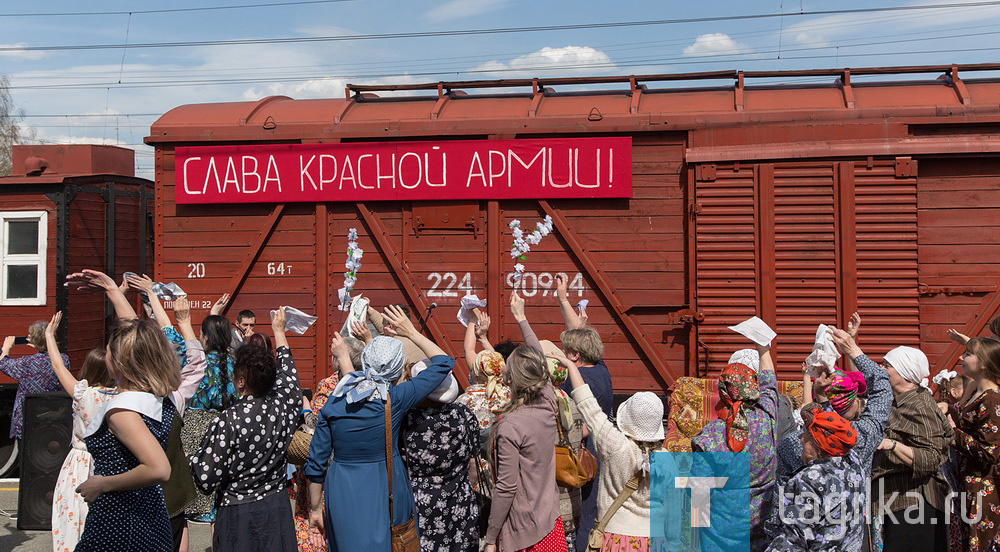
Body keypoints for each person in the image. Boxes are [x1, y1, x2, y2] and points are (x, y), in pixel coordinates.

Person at [305, 305, 455, 551]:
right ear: (397, 370)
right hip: (385, 480)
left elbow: (316, 463)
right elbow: (443, 363)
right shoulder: (395, 398)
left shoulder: (335, 400)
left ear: (364, 361)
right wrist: (411, 333)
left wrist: (314, 510)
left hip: (343, 484)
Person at [188, 307, 303, 552]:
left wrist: (191, 459)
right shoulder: (284, 408)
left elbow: (206, 478)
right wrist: (279, 332)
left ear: (240, 381)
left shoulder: (228, 420)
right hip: (276, 507)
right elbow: (289, 378)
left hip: (238, 515)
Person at [770, 321, 892, 549]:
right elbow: (883, 390)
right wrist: (853, 350)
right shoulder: (857, 449)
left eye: (804, 434)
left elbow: (786, 527)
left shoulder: (797, 455)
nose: (801, 437)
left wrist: (819, 394)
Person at [71, 317, 181, 552]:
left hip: (118, 520)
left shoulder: (122, 410)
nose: (107, 355)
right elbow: (139, 337)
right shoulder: (161, 398)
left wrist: (102, 484)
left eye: (109, 351)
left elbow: (159, 468)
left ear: (121, 361)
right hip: (151, 514)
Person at [554, 346, 671, 552]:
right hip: (656, 540)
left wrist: (571, 367)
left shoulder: (614, 444)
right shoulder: (668, 459)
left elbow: (587, 404)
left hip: (616, 537)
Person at [692, 336, 776, 551]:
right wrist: (763, 348)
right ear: (753, 387)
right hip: (763, 523)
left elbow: (698, 492)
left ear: (723, 391)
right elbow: (770, 384)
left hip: (721, 532)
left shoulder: (709, 435)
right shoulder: (767, 418)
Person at [869, 345, 953, 552]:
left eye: (887, 365)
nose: (881, 368)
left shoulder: (920, 406)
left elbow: (931, 458)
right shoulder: (894, 402)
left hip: (916, 505)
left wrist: (893, 445)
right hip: (894, 500)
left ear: (904, 372)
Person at [45, 312, 116, 552]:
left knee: (72, 519)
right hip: (109, 462)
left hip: (79, 461)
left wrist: (49, 336)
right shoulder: (122, 396)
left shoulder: (82, 393)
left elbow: (57, 365)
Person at [484, 345, 565, 552]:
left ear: (509, 379)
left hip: (526, 532)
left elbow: (506, 487)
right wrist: (521, 318)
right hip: (551, 521)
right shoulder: (548, 403)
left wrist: (491, 538)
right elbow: (539, 362)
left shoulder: (510, 426)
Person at [553, 278, 612, 551]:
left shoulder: (578, 382)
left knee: (583, 510)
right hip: (601, 448)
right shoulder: (600, 368)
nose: (562, 355)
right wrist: (564, 300)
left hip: (583, 451)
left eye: (566, 353)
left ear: (574, 357)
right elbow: (580, 338)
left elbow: (580, 426)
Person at [291, 335, 363, 552]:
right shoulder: (370, 385)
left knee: (315, 530)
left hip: (325, 470)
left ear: (337, 360)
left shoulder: (330, 385)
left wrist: (305, 409)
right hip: (354, 469)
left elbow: (317, 427)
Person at [400, 359, 479, 552]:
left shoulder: (407, 419)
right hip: (461, 503)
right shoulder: (463, 414)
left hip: (422, 506)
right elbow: (473, 464)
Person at [765, 405, 862, 551]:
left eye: (804, 434)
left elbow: (794, 538)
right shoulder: (853, 463)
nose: (800, 438)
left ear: (816, 444)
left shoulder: (809, 479)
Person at [183, 312, 238, 524]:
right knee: (219, 508)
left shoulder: (198, 361)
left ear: (205, 337)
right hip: (223, 431)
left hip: (193, 430)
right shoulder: (235, 363)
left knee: (185, 511)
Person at [954, 337, 1000, 552]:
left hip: (983, 486)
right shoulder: (976, 393)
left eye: (968, 354)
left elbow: (989, 452)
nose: (962, 357)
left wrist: (951, 432)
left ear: (983, 363)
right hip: (969, 482)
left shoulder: (992, 399)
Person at [0, 320, 65, 441]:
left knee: (27, 455)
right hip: (53, 416)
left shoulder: (27, 363)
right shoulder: (64, 360)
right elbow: (51, 355)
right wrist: (41, 346)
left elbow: (3, 363)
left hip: (27, 420)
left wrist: (6, 347)